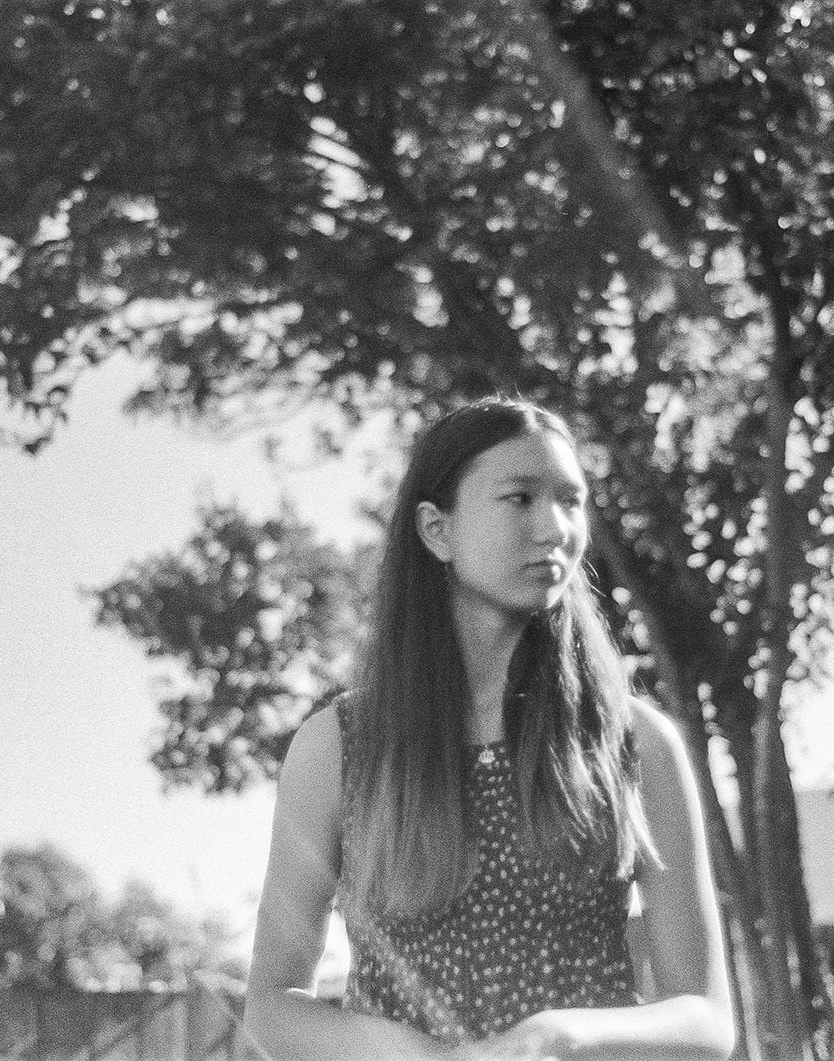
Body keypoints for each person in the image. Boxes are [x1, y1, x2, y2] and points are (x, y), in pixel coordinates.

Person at [245, 398, 734, 1060]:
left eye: (571, 500)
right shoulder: (336, 747)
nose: (555, 527)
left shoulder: (636, 742)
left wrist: (565, 1035)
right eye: (520, 498)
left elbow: (707, 1019)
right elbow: (272, 1007)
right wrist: (413, 1052)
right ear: (436, 529)